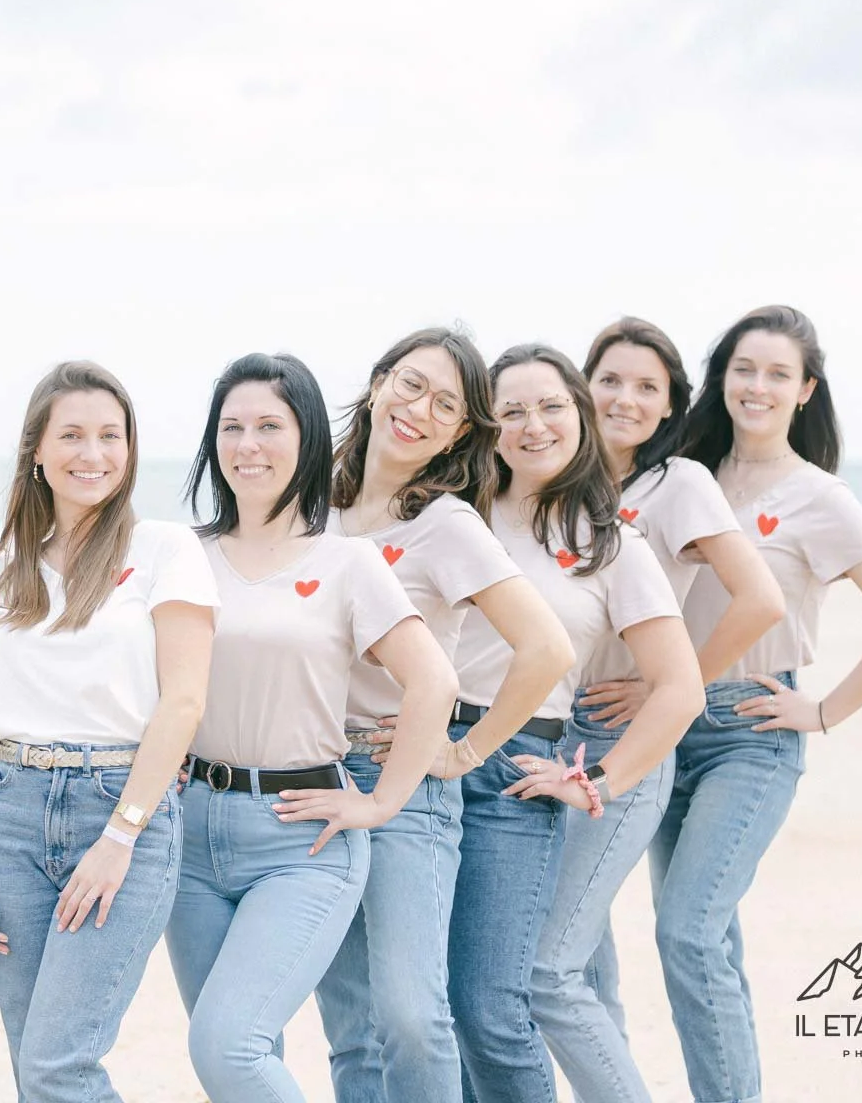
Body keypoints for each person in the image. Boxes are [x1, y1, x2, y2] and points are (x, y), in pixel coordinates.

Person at [654, 305, 862, 1103]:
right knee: (709, 941)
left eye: (779, 373)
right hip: (666, 729)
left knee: (686, 932)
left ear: (806, 390)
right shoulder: (685, 474)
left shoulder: (819, 498)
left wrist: (820, 712)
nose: (757, 385)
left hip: (750, 734)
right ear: (722, 379)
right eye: (744, 368)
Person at [162, 352, 459, 1103]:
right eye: (232, 427)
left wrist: (383, 803)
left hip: (302, 837)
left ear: (307, 441)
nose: (248, 444)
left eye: (270, 425)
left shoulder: (347, 562)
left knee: (227, 1046)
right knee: (235, 1060)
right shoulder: (181, 556)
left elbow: (435, 682)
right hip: (190, 835)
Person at [526, 319, 783, 1103]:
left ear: (670, 403)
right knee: (584, 964)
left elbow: (762, 598)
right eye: (609, 379)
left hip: (619, 739)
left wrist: (668, 682)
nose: (624, 399)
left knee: (550, 967)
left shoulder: (677, 484)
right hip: (546, 733)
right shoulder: (554, 481)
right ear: (582, 385)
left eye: (647, 387)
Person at [313, 327, 573, 1103]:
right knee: (351, 1025)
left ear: (462, 432)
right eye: (411, 384)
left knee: (412, 1014)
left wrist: (463, 752)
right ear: (380, 379)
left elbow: (547, 648)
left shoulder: (446, 524)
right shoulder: (309, 505)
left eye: (447, 405)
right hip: (310, 777)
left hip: (407, 785)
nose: (419, 409)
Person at [0, 360, 216, 1102]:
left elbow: (183, 703)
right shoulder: (2, 569)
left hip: (119, 807)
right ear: (36, 450)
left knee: (59, 1065)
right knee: (32, 1055)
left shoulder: (165, 550)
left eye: (109, 436)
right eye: (71, 435)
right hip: (10, 819)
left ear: (130, 450)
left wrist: (121, 835)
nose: (91, 454)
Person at [445, 343, 698, 1102]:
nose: (532, 426)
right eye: (511, 411)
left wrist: (597, 781)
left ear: (579, 417)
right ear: (485, 427)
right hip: (420, 763)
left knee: (498, 1001)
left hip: (516, 774)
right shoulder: (451, 519)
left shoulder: (610, 543)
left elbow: (679, 688)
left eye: (550, 406)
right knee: (431, 1002)